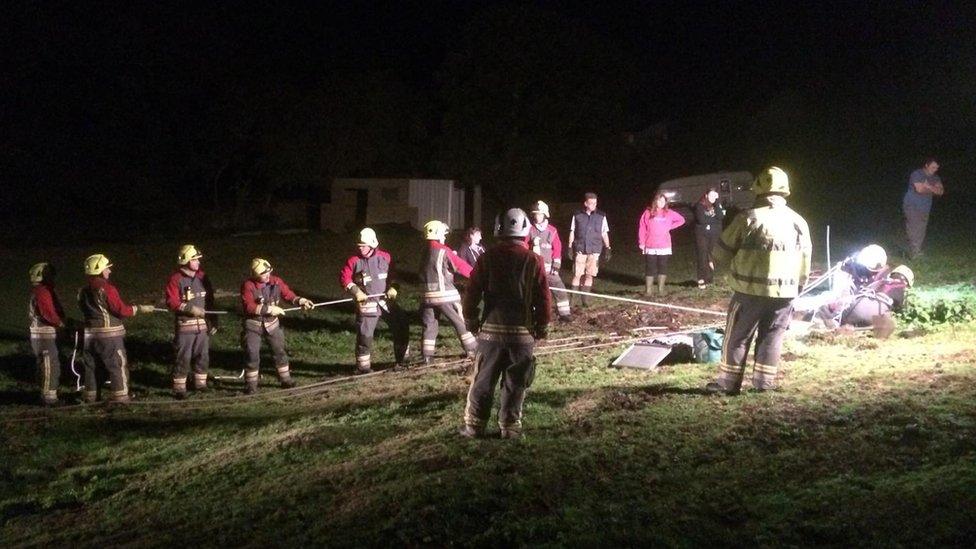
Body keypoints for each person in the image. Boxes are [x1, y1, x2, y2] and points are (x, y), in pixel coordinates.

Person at [706, 167, 812, 395]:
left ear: (759, 191)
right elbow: (805, 261)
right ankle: (764, 384)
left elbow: (720, 253)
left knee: (737, 338)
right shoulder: (798, 222)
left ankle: (728, 384)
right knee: (772, 337)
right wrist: (798, 288)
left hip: (749, 292)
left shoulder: (748, 218)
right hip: (785, 293)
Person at [460, 208, 551, 439]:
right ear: (525, 231)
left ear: (498, 230)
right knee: (516, 383)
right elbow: (543, 297)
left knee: (483, 380)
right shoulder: (534, 260)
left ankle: (474, 426)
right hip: (522, 335)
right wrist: (543, 325)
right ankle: (509, 428)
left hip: (490, 334)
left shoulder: (487, 257)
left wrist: (470, 317)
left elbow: (472, 291)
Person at [78, 254, 156, 403]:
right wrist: (139, 308)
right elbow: (120, 309)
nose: (109, 271)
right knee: (117, 365)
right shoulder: (107, 288)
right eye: (107, 268)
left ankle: (90, 396)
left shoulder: (82, 291)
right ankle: (120, 397)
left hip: (89, 336)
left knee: (92, 367)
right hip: (109, 337)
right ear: (100, 270)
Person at [340, 228, 409, 374]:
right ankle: (363, 368)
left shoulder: (385, 257)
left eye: (363, 246)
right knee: (365, 336)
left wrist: (394, 288)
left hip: (385, 301)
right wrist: (356, 291)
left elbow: (393, 276)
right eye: (359, 246)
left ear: (372, 244)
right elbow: (344, 279)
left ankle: (403, 360)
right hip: (367, 304)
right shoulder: (354, 261)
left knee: (401, 325)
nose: (360, 248)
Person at [240, 258, 313, 393]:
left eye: (269, 272)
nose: (268, 275)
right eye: (263, 273)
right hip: (253, 326)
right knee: (252, 354)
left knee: (279, 352)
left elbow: (287, 294)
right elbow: (248, 306)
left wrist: (300, 300)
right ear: (255, 275)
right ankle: (251, 385)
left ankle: (286, 380)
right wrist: (268, 309)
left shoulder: (276, 282)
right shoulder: (248, 286)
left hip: (272, 325)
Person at [419, 220, 478, 363]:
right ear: (438, 234)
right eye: (443, 235)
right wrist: (478, 275)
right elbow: (460, 266)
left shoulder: (425, 251)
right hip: (445, 295)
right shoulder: (443, 250)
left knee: (430, 326)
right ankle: (473, 349)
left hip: (426, 296)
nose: (445, 237)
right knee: (460, 321)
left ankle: (427, 356)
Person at [164, 245, 217, 399]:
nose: (198, 262)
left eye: (198, 259)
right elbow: (171, 302)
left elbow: (210, 301)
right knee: (183, 356)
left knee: (203, 355)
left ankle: (200, 384)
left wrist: (213, 321)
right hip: (185, 324)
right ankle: (179, 388)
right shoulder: (176, 279)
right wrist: (189, 309)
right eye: (194, 259)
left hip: (202, 326)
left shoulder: (202, 277)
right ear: (186, 261)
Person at [28, 263, 67, 406]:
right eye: (50, 274)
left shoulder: (40, 291)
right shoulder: (43, 292)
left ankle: (46, 393)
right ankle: (49, 398)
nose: (53, 277)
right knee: (50, 365)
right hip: (44, 335)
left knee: (45, 364)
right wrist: (61, 324)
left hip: (40, 334)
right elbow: (48, 313)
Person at [526, 200, 572, 320]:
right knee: (534, 292)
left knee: (559, 289)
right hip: (534, 268)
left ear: (545, 215)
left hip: (549, 268)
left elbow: (557, 248)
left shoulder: (552, 230)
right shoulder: (529, 230)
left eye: (540, 214)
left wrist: (556, 265)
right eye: (535, 214)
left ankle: (564, 313)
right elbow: (524, 247)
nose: (537, 216)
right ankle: (535, 315)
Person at [637, 191, 685, 295]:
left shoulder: (669, 213)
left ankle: (661, 290)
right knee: (650, 267)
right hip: (650, 245)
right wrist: (641, 242)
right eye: (660, 200)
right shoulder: (648, 212)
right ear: (655, 201)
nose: (662, 202)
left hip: (664, 245)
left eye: (664, 201)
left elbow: (682, 220)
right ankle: (648, 290)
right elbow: (642, 227)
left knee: (662, 266)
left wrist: (670, 227)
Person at [567, 192, 610, 307]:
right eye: (591, 203)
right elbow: (572, 231)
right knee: (577, 274)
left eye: (595, 203)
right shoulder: (577, 215)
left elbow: (604, 233)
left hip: (595, 250)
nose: (593, 205)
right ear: (585, 203)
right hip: (580, 249)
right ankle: (572, 300)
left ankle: (585, 300)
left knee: (589, 275)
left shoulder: (601, 216)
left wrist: (608, 247)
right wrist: (570, 247)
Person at [903, 158, 944, 258]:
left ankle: (916, 250)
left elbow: (941, 192)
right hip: (912, 204)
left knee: (921, 229)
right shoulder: (917, 174)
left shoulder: (936, 178)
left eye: (936, 168)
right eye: (933, 167)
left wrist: (928, 186)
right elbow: (920, 189)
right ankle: (914, 252)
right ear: (926, 165)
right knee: (913, 227)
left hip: (925, 206)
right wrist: (934, 189)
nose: (935, 169)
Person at [693, 187, 725, 289]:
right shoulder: (700, 205)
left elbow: (720, 217)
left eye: (714, 195)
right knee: (702, 255)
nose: (712, 197)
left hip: (714, 234)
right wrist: (714, 220)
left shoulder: (717, 205)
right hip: (702, 234)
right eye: (711, 195)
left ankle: (709, 277)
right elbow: (701, 220)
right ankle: (701, 279)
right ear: (706, 195)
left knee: (712, 256)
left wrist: (717, 203)